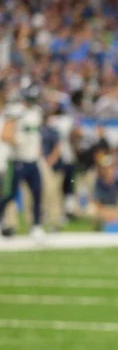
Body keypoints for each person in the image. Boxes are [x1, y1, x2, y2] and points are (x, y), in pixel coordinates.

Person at [3, 81, 48, 240]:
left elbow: (37, 137)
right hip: (18, 160)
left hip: (33, 160)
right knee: (10, 194)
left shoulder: (37, 112)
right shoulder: (15, 111)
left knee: (37, 193)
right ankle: (2, 221)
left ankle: (36, 225)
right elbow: (5, 134)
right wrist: (17, 139)